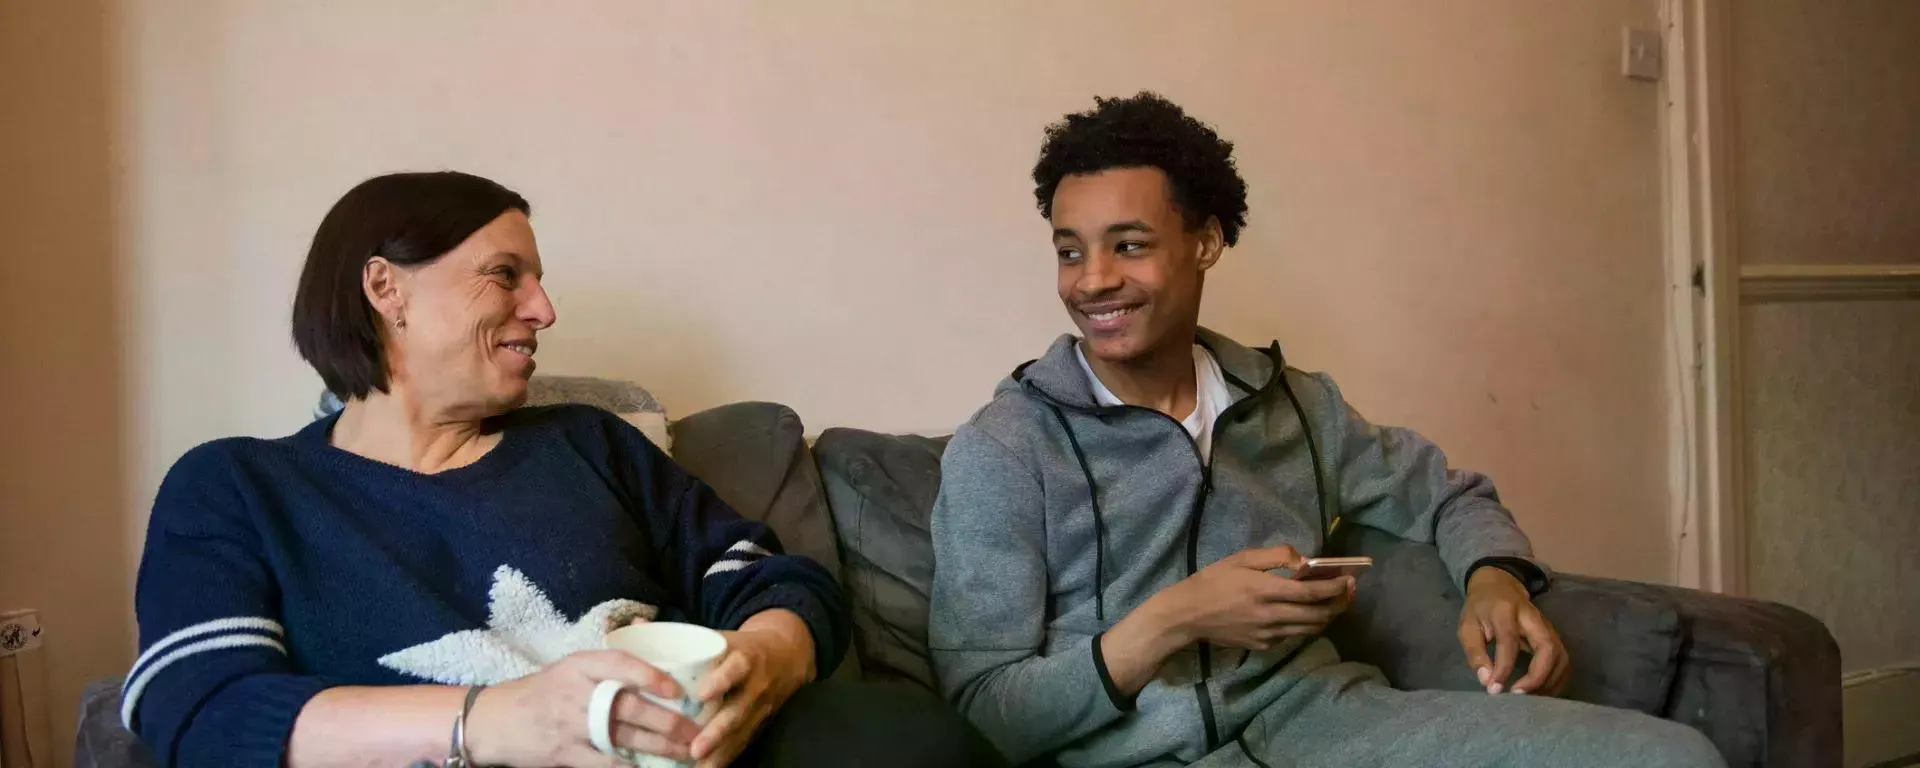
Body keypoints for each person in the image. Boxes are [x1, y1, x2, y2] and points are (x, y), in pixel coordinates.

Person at [927, 93, 1725, 767]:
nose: (1093, 280)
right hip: (1130, 754)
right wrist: (1178, 617)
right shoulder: (1007, 447)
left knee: (1672, 757)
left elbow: (1448, 495)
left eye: (1128, 246)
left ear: (1206, 242)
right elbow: (986, 709)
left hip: (1327, 724)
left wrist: (1495, 579)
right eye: (1070, 253)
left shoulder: (1295, 407)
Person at [127, 171, 1006, 768]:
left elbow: (768, 576)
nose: (544, 310)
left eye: (538, 281)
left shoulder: (588, 443)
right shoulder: (238, 487)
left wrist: (766, 659)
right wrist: (493, 724)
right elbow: (197, 708)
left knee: (911, 737)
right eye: (505, 275)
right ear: (386, 289)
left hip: (680, 752)